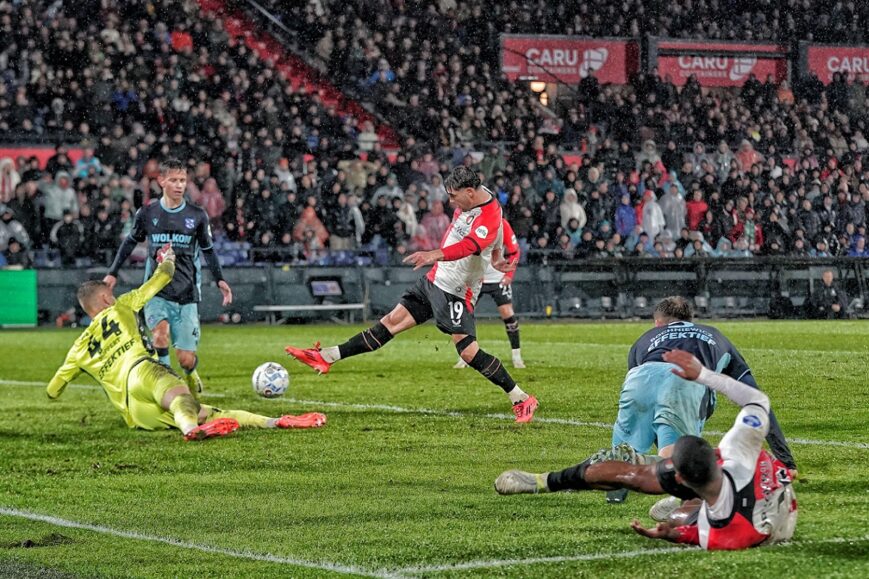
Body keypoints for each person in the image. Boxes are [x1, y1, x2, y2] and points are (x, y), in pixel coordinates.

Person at [285, 166, 539, 422]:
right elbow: (492, 236)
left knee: (468, 352)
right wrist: (495, 255)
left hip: (458, 291)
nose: (450, 202)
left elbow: (469, 246)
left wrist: (433, 254)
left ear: (470, 193)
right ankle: (327, 356)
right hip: (435, 279)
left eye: (454, 196)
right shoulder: (482, 197)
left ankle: (521, 398)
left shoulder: (488, 215)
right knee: (390, 322)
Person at [494, 350, 798, 551]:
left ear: (681, 480)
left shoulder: (727, 530)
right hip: (745, 485)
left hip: (775, 522)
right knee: (636, 475)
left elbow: (699, 536)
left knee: (677, 517)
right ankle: (544, 481)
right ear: (716, 454)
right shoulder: (737, 447)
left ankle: (688, 506)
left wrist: (672, 533)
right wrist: (703, 375)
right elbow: (758, 401)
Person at [49, 245, 326, 441]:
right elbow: (163, 277)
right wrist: (167, 257)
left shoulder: (78, 349)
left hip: (135, 412)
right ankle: (190, 431)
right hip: (142, 372)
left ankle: (273, 422)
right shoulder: (120, 306)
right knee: (183, 399)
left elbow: (53, 390)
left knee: (206, 412)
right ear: (106, 299)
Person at [606, 296, 797, 503]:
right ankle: (670, 485)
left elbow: (642, 385)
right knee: (678, 455)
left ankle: (617, 477)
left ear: (658, 323)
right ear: (691, 319)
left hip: (639, 379)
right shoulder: (714, 335)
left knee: (624, 450)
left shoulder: (645, 338)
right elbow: (756, 402)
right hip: (684, 380)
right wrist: (786, 461)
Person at [103, 159, 233, 396]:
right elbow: (130, 241)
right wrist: (112, 273)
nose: (179, 185)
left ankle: (190, 373)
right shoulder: (148, 213)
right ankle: (167, 387)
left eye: (182, 180)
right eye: (173, 180)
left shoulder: (197, 215)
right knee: (159, 337)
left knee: (185, 358)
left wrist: (220, 279)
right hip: (156, 291)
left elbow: (208, 250)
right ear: (161, 181)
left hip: (186, 294)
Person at [454, 217, 525, 369]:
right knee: (465, 316)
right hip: (475, 277)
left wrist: (509, 275)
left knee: (507, 313)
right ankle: (465, 355)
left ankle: (516, 355)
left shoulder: (502, 224)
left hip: (497, 277)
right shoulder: (472, 222)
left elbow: (514, 251)